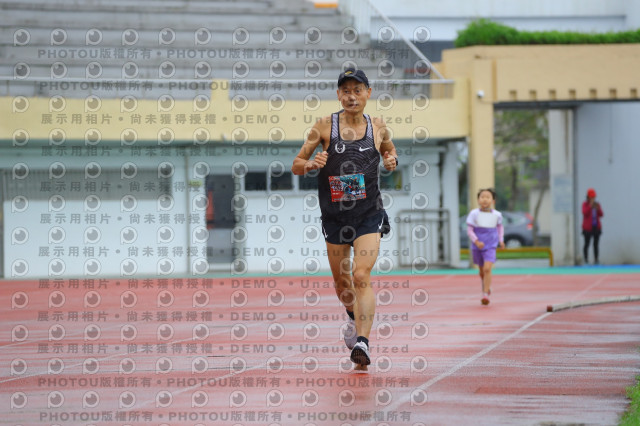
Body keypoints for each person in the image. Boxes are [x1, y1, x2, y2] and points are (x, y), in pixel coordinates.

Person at [291, 68, 398, 367]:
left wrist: (391, 159)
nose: (352, 96)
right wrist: (311, 164)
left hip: (369, 214)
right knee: (342, 283)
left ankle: (362, 342)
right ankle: (353, 316)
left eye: (357, 90)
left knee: (361, 275)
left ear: (368, 93)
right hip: (335, 217)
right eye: (346, 91)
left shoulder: (378, 126)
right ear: (338, 94)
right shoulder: (324, 126)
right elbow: (296, 164)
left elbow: (390, 151)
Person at [466, 188, 505, 305]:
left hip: (491, 245)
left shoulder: (497, 215)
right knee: (482, 271)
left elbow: (500, 228)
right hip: (477, 246)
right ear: (478, 200)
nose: (485, 199)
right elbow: (469, 230)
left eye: (488, 197)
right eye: (482, 197)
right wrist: (476, 241)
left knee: (487, 269)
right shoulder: (474, 214)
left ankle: (485, 294)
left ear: (493, 201)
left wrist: (501, 240)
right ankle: (487, 286)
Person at [581, 188, 603, 264]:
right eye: (591, 197)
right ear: (588, 197)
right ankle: (586, 259)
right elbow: (584, 212)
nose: (593, 198)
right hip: (587, 228)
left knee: (596, 244)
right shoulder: (585, 204)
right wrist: (590, 206)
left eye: (594, 197)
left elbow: (601, 214)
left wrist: (598, 209)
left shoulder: (597, 204)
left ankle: (596, 259)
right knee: (587, 243)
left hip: (596, 227)